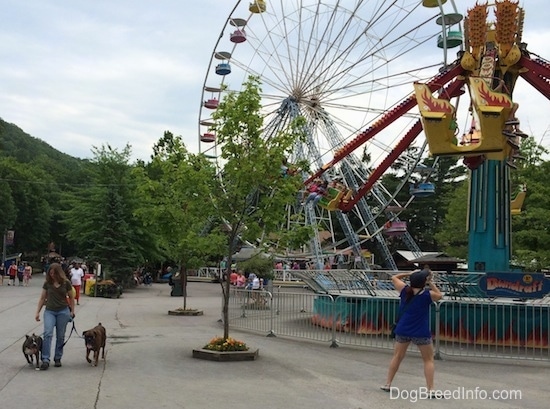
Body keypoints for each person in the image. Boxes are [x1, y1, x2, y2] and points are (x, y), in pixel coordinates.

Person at [381, 267, 443, 395]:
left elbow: (394, 277)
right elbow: (440, 295)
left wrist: (410, 273)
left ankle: (388, 383)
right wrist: (430, 282)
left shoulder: (404, 291)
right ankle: (430, 389)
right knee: (428, 360)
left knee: (397, 357)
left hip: (403, 329)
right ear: (423, 282)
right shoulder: (427, 295)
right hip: (421, 331)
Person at [35, 263, 76, 370]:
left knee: (60, 335)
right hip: (50, 311)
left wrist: (72, 311)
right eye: (50, 273)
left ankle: (57, 357)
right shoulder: (47, 283)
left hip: (63, 311)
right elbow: (42, 298)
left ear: (59, 273)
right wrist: (37, 312)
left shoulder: (66, 283)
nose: (52, 275)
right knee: (47, 333)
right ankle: (45, 359)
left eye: (54, 273)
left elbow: (71, 298)